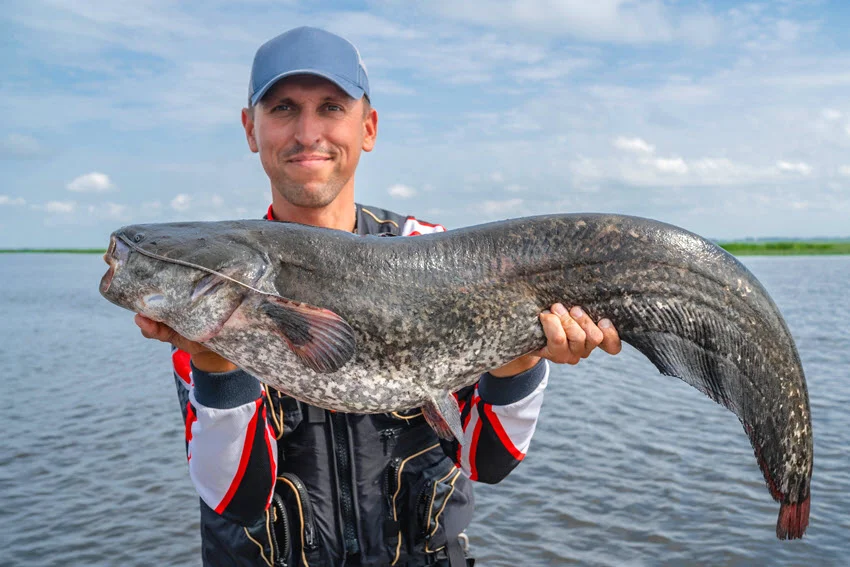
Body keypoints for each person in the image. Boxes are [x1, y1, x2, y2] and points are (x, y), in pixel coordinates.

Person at [135, 27, 621, 567]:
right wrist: (214, 361)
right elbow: (238, 498)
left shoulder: (433, 253)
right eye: (283, 108)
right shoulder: (219, 283)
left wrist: (523, 356)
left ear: (367, 127)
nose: (307, 131)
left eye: (331, 107)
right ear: (251, 129)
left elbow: (485, 458)